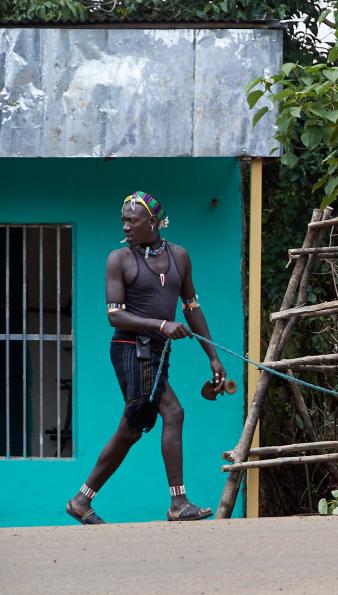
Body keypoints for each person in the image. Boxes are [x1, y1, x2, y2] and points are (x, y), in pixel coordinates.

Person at [65, 192, 226, 524]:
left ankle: (82, 499)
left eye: (132, 220)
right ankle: (178, 502)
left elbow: (192, 308)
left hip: (156, 352)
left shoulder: (180, 257)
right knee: (173, 413)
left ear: (152, 222)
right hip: (129, 349)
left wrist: (213, 357)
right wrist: (161, 325)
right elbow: (115, 316)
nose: (125, 225)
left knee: (131, 429)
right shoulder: (118, 260)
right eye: (123, 219)